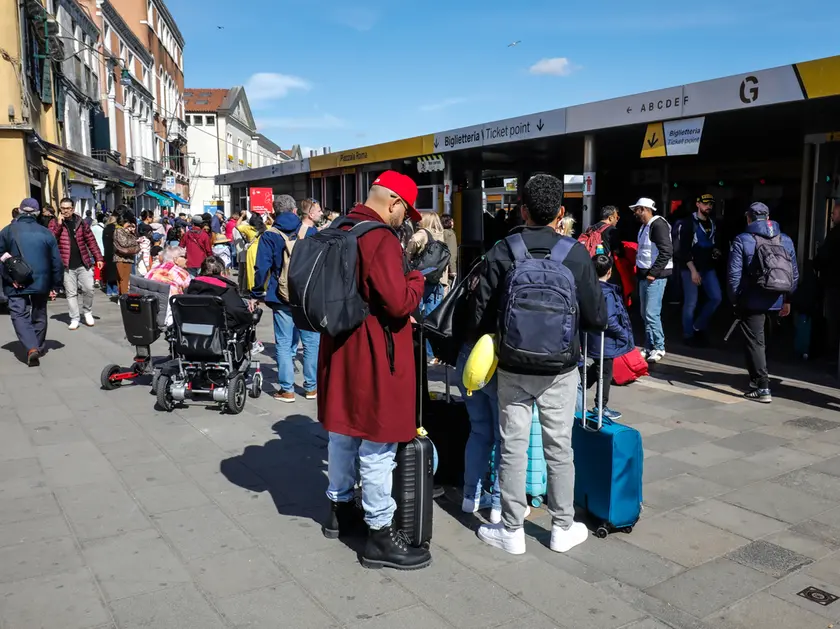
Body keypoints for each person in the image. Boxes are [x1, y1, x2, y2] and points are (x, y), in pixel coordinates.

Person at [470, 174, 607, 556]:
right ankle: (562, 525)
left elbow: (478, 313)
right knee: (559, 447)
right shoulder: (576, 253)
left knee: (513, 446)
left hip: (513, 366)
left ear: (522, 210)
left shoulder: (503, 250)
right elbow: (597, 317)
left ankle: (511, 530)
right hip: (561, 368)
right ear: (561, 212)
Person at [318, 171, 430, 570]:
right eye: (407, 211)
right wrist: (418, 277)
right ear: (394, 202)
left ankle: (339, 511)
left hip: (339, 347)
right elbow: (398, 303)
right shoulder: (379, 237)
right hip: (372, 352)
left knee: (343, 433)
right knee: (378, 445)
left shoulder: (340, 226)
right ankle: (380, 535)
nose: (407, 219)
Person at [727, 202, 799, 404]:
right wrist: (787, 299)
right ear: (768, 218)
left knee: (755, 342)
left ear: (749, 218)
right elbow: (794, 274)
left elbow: (734, 275)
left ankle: (762, 386)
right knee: (763, 340)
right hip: (777, 297)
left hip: (752, 299)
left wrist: (735, 300)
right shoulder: (785, 239)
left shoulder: (742, 239)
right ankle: (754, 379)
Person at [252, 195, 319, 402]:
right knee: (310, 342)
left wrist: (256, 293)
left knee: (282, 342)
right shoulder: (310, 232)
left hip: (281, 295)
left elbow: (262, 267)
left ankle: (287, 389)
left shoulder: (270, 235)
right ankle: (311, 387)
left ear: (275, 211)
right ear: (294, 210)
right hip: (307, 295)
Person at [0, 198, 63, 366]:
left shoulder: (7, 231)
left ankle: (31, 347)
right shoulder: (46, 233)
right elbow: (56, 261)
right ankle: (38, 346)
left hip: (16, 281)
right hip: (41, 281)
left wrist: (8, 278)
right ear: (36, 213)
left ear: (20, 210)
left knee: (19, 313)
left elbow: (0, 257)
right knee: (39, 312)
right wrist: (56, 284)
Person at [580, 254, 634, 420]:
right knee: (605, 371)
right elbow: (610, 319)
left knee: (598, 367)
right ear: (610, 271)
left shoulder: (586, 288)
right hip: (605, 339)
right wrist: (623, 334)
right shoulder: (608, 293)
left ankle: (580, 387)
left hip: (590, 336)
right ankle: (601, 406)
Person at [674, 194, 723, 345]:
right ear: (698, 204)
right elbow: (683, 250)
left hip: (707, 267)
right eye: (705, 203)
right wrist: (693, 270)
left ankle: (697, 326)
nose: (708, 206)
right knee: (691, 302)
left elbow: (712, 243)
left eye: (711, 204)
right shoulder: (689, 223)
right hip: (690, 268)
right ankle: (688, 335)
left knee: (716, 298)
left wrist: (716, 251)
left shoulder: (712, 222)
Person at [49, 197, 104, 329]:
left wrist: (99, 258)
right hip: (66, 265)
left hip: (83, 262)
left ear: (73, 209)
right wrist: (59, 224)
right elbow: (51, 239)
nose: (65, 211)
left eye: (68, 208)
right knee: (71, 293)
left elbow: (90, 240)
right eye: (63, 208)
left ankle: (87, 311)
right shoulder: (54, 222)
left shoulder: (81, 222)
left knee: (89, 288)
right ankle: (74, 318)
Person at [632, 198, 673, 363]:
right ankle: (649, 346)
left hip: (654, 276)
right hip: (646, 275)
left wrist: (653, 273)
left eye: (637, 210)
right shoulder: (646, 226)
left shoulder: (657, 225)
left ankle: (659, 346)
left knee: (651, 313)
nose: (635, 213)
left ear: (644, 209)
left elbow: (667, 250)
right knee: (645, 313)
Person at [407, 211, 448, 364]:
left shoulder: (422, 234)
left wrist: (408, 256)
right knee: (432, 318)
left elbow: (412, 245)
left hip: (420, 279)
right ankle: (432, 353)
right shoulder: (441, 235)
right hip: (436, 281)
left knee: (415, 315)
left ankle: (418, 350)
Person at [185, 255, 255, 332]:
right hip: (220, 332)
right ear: (222, 273)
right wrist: (250, 316)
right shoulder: (225, 289)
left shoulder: (190, 287)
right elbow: (239, 312)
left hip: (192, 330)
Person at [816, 199, 840, 357]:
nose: (831, 217)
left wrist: (816, 265)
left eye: (834, 214)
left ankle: (832, 351)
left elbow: (823, 257)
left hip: (835, 283)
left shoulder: (835, 234)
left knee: (834, 319)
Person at [113, 212, 139, 295]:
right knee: (123, 278)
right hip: (121, 258)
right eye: (128, 223)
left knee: (124, 278)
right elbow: (124, 243)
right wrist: (133, 238)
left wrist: (133, 233)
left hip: (128, 258)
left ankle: (122, 296)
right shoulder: (119, 230)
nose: (130, 225)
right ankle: (124, 296)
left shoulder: (127, 231)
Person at [101, 212, 120, 297]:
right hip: (114, 252)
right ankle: (115, 290)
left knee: (109, 271)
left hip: (107, 252)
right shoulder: (115, 229)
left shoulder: (105, 229)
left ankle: (109, 290)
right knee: (115, 271)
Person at [441, 214, 458, 283]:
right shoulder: (450, 234)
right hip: (447, 269)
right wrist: (453, 270)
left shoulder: (440, 232)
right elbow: (452, 253)